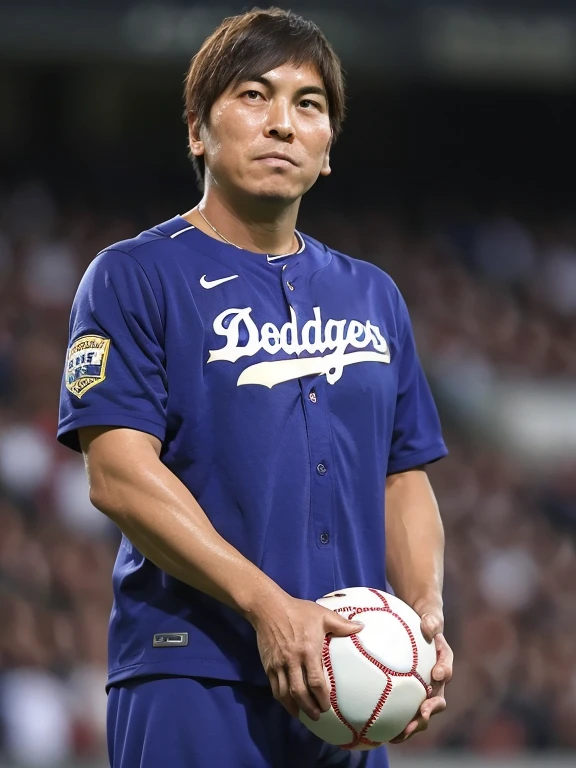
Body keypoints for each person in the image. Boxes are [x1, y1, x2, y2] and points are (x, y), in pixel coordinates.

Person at [57, 7, 453, 767]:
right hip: (192, 672)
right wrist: (268, 605)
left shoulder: (373, 296)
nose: (282, 123)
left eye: (308, 105)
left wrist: (422, 620)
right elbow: (117, 476)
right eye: (253, 95)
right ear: (198, 132)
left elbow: (404, 475)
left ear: (328, 146)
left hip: (347, 682)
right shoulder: (134, 276)